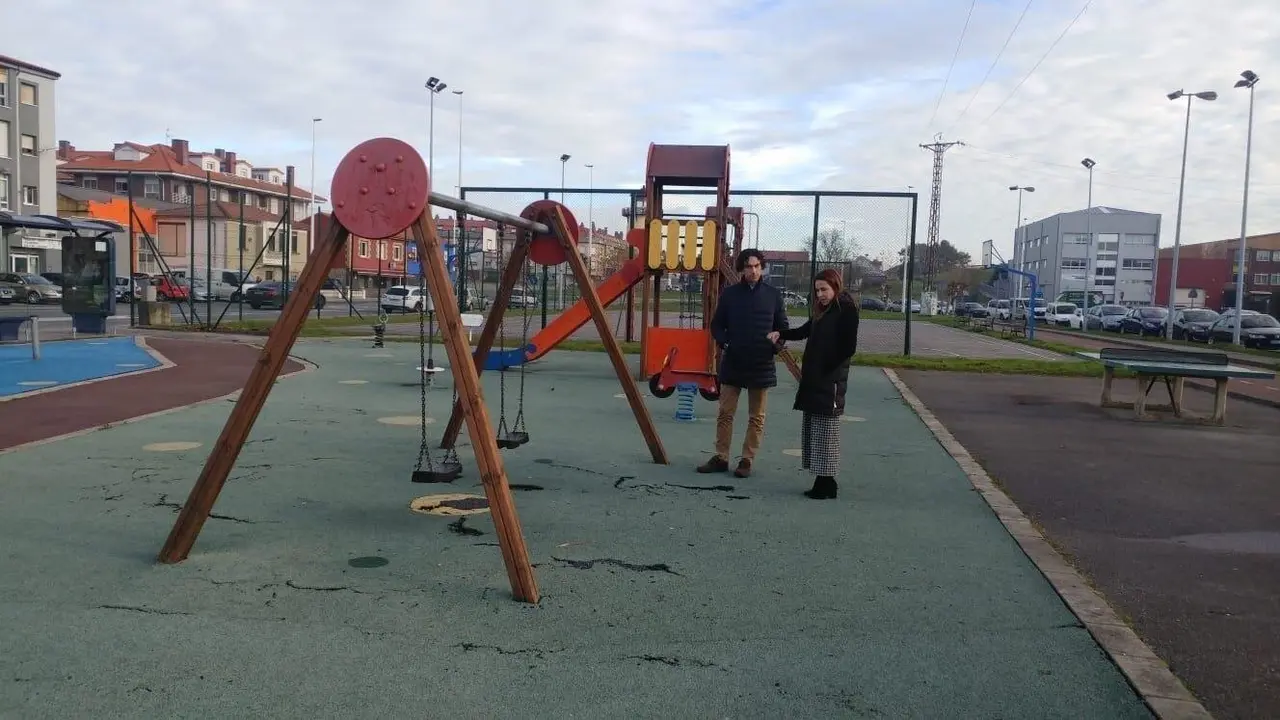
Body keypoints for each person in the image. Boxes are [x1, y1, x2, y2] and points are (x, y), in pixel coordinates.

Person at [768, 268, 860, 500]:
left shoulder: (846, 310)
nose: (820, 294)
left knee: (827, 431)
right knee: (815, 430)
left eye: (824, 289)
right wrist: (781, 333)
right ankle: (823, 480)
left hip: (830, 381)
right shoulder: (822, 311)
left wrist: (827, 369)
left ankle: (827, 483)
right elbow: (804, 331)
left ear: (836, 287)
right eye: (817, 290)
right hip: (815, 379)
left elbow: (848, 347)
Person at [697, 248, 789, 478]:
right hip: (734, 361)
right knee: (725, 413)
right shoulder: (730, 294)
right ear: (742, 268)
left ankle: (747, 460)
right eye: (749, 266)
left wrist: (776, 343)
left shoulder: (772, 295)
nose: (753, 270)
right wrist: (726, 343)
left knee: (756, 416)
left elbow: (782, 328)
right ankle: (721, 456)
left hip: (761, 362)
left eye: (757, 266)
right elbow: (717, 326)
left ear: (762, 267)